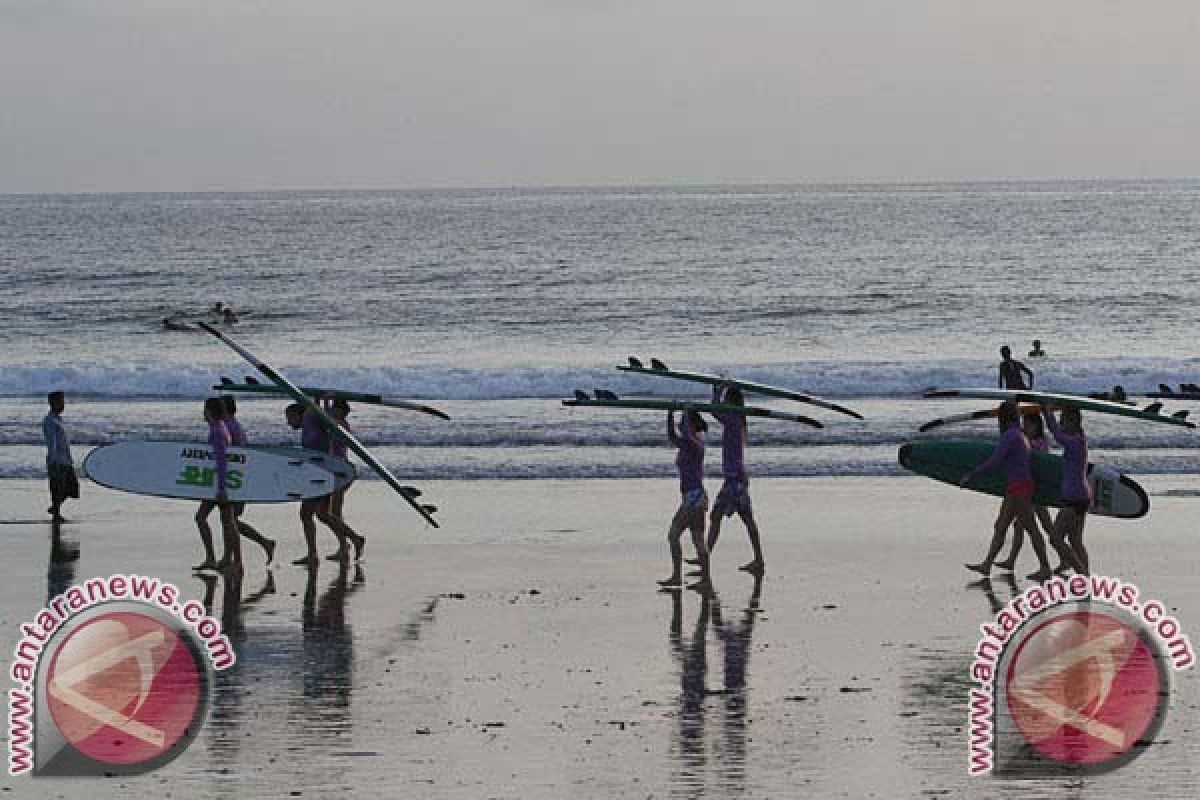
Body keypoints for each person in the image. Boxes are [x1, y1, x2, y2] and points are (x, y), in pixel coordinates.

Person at [962, 401, 1053, 580]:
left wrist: (973, 475)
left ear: (1003, 418)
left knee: (1031, 528)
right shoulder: (1018, 434)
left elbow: (996, 461)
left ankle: (1045, 567)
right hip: (1016, 486)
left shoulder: (1011, 435)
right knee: (1001, 525)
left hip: (1020, 488)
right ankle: (987, 564)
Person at [285, 403, 364, 566]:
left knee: (306, 514)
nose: (288, 422)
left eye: (290, 417)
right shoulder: (309, 423)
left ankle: (313, 555)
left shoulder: (311, 418)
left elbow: (320, 411)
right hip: (321, 473)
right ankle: (355, 539)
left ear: (300, 415)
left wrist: (321, 401)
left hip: (322, 474)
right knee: (322, 514)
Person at [992, 412, 1071, 575]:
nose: (1025, 427)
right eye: (1024, 424)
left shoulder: (1039, 443)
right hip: (1034, 489)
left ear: (1037, 426)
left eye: (1028, 424)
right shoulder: (1030, 441)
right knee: (1044, 526)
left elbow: (1035, 461)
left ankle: (1060, 561)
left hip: (1034, 490)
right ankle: (1013, 560)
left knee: (1030, 526)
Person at [706, 385, 765, 574]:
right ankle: (758, 559)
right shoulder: (737, 420)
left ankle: (704, 557)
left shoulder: (733, 420)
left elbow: (714, 410)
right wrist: (719, 391)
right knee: (745, 520)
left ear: (731, 402)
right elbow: (717, 409)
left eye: (726, 399)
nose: (724, 402)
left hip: (734, 480)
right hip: (737, 477)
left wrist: (716, 391)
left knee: (717, 517)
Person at [220, 396, 276, 564]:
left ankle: (263, 544)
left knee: (230, 520)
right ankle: (228, 557)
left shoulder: (230, 427)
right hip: (238, 478)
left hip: (235, 480)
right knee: (229, 520)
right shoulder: (234, 426)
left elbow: (230, 456)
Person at [658, 409, 710, 589]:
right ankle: (703, 579)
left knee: (674, 535)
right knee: (697, 540)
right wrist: (670, 415)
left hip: (694, 497)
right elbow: (672, 436)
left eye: (685, 422)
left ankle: (683, 577)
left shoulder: (695, 444)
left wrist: (686, 413)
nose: (682, 425)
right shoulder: (687, 443)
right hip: (692, 496)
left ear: (692, 425)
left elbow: (685, 433)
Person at [193, 397, 241, 573]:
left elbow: (221, 461)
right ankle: (226, 560)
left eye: (205, 409)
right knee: (228, 522)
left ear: (211, 412)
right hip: (218, 484)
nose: (203, 413)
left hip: (218, 486)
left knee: (205, 518)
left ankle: (218, 559)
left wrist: (221, 489)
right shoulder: (220, 428)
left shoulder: (218, 431)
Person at [1042, 405, 1091, 575]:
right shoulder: (1080, 440)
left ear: (1072, 422)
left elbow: (1057, 435)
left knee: (1055, 539)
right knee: (1075, 540)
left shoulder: (1075, 442)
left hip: (1074, 499)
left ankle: (1081, 573)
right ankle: (1086, 576)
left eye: (1063, 420)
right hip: (1081, 497)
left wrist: (1047, 413)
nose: (1061, 423)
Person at [325, 398, 365, 559]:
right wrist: (324, 400)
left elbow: (326, 419)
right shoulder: (337, 422)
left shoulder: (341, 425)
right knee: (333, 512)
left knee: (332, 513)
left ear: (340, 411)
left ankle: (350, 542)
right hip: (338, 470)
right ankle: (344, 545)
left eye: (335, 408)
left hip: (341, 471)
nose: (332, 411)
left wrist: (325, 401)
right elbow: (325, 415)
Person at [42, 391, 79, 523]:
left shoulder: (59, 420)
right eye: (61, 402)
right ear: (53, 403)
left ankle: (55, 508)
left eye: (63, 401)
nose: (63, 405)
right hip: (57, 461)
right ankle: (56, 514)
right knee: (57, 487)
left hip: (66, 460)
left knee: (73, 488)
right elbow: (52, 443)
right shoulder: (50, 421)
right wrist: (53, 461)